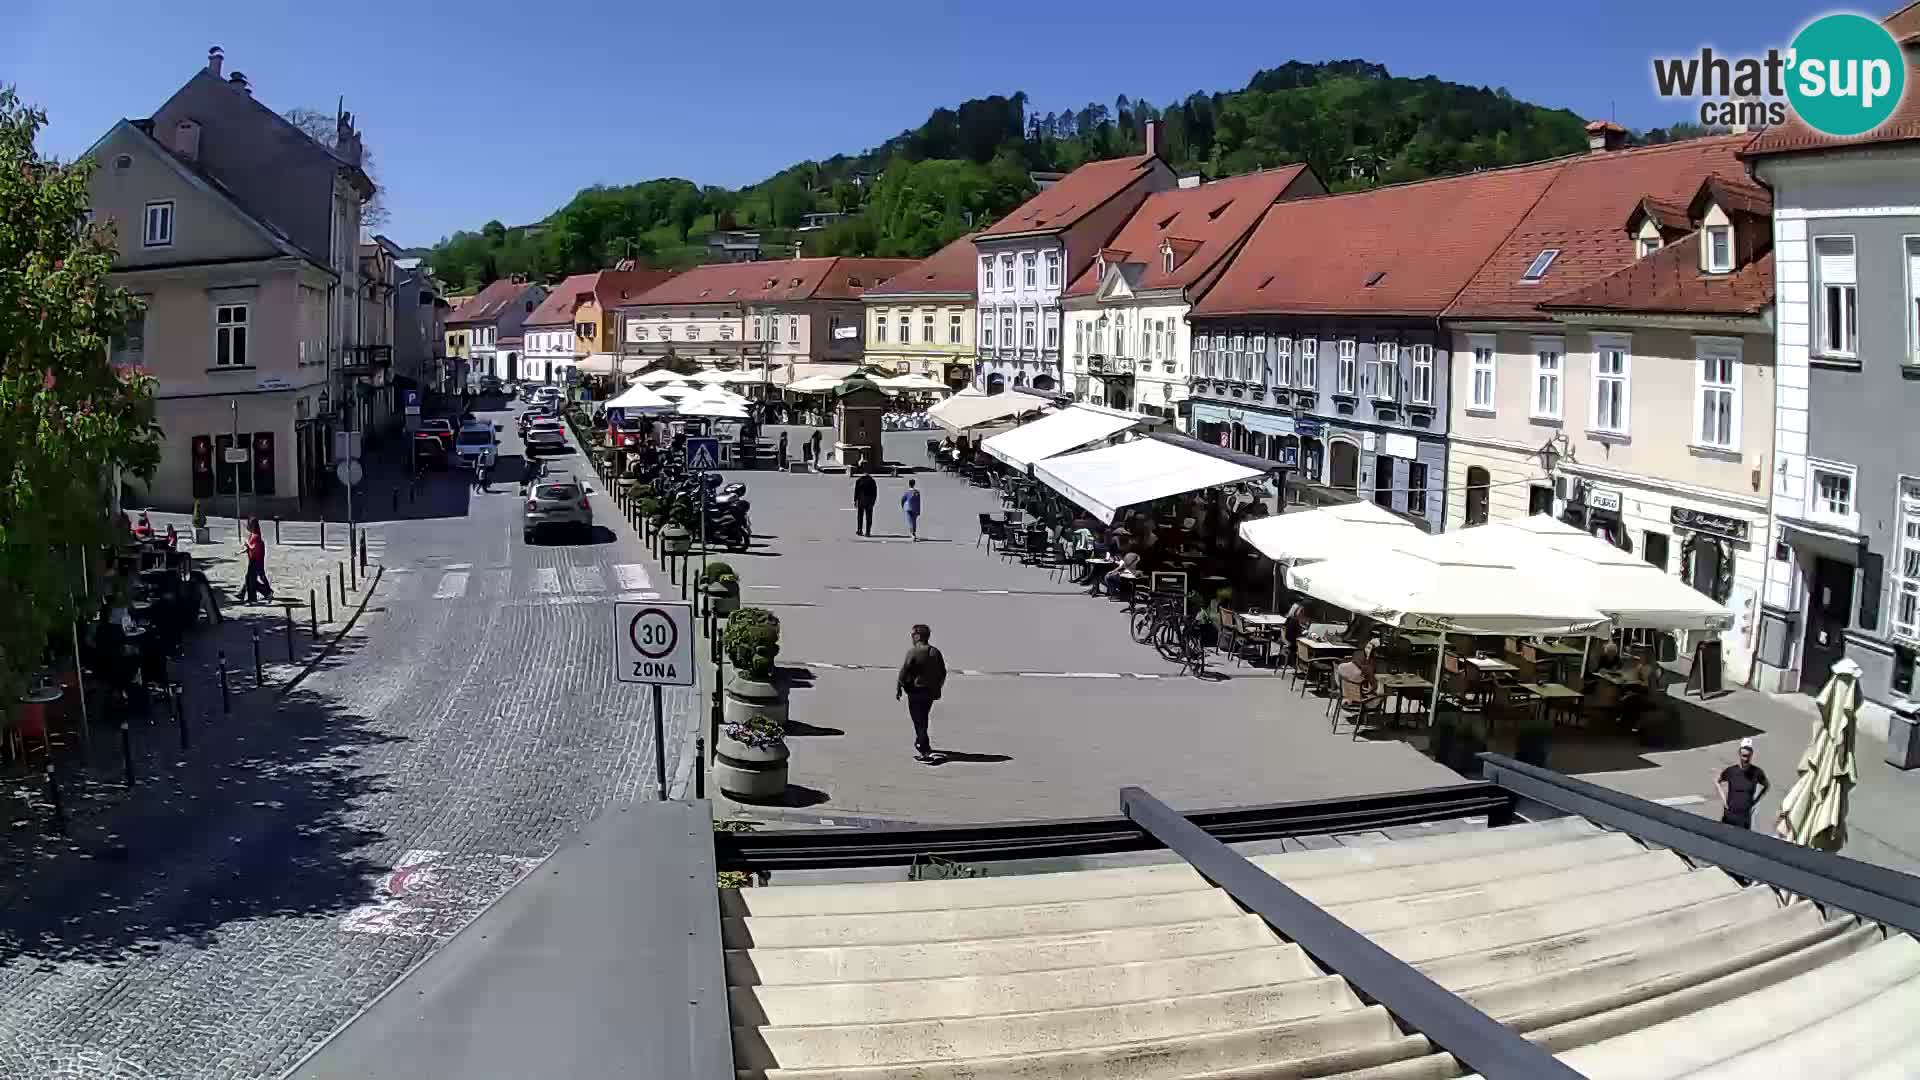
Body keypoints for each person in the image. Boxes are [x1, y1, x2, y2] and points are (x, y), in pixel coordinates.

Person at [895, 624, 947, 763]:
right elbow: (942, 672)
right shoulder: (935, 652)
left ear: (918, 636)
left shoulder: (914, 652)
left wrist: (899, 687)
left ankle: (923, 747)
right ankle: (922, 742)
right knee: (923, 717)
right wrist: (938, 687)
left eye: (913, 635)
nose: (912, 637)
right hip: (929, 692)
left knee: (918, 719)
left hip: (916, 691)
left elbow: (904, 671)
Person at [1715, 738, 1770, 830]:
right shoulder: (1731, 771)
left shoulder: (1757, 772)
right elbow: (1717, 781)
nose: (1746, 759)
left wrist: (1755, 802)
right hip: (1729, 816)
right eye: (1744, 756)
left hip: (1744, 818)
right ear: (1739, 754)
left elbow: (1767, 786)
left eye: (1748, 756)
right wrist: (1724, 800)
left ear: (1752, 754)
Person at [240, 518, 273, 604]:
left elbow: (253, 547)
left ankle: (265, 593)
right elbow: (249, 548)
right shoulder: (253, 535)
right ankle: (254, 596)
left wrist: (247, 543)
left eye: (250, 525)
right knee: (250, 580)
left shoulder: (256, 536)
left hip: (256, 561)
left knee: (251, 580)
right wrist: (240, 552)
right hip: (252, 560)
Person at [852, 472, 878, 537]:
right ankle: (868, 531)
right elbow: (875, 492)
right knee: (869, 517)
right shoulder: (872, 481)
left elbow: (856, 492)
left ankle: (859, 530)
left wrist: (855, 500)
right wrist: (873, 501)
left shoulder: (859, 480)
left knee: (860, 516)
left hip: (861, 500)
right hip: (869, 501)